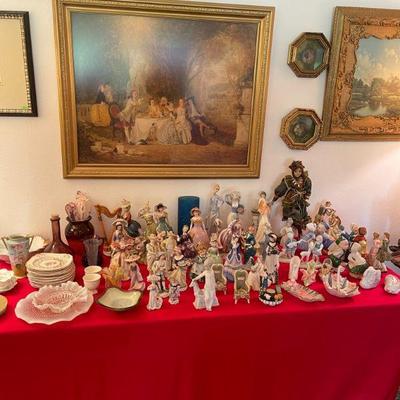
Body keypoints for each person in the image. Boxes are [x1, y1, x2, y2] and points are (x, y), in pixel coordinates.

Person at [272, 160, 312, 233]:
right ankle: (291, 232)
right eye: (295, 171)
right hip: (291, 201)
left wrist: (305, 197)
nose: (297, 173)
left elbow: (308, 190)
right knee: (293, 218)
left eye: (299, 171)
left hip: (301, 202)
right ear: (293, 171)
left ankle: (299, 233)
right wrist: (273, 200)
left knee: (301, 218)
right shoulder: (289, 179)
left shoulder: (306, 180)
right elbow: (281, 189)